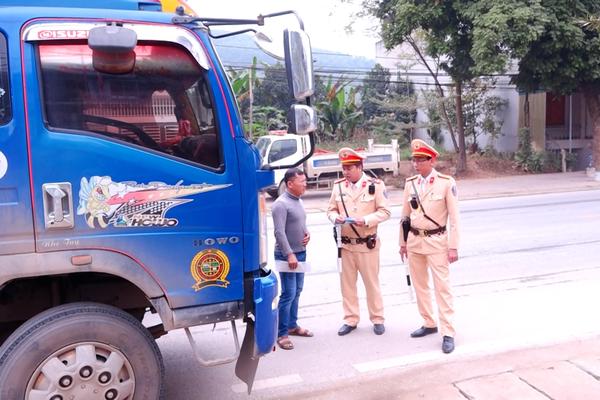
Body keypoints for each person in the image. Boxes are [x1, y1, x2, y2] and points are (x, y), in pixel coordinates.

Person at [399, 139, 460, 354]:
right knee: (420, 286)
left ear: (432, 160)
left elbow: (454, 218)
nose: (416, 164)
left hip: (437, 242)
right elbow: (405, 216)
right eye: (414, 160)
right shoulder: (410, 183)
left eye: (420, 160)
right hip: (415, 241)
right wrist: (403, 243)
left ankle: (448, 332)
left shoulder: (445, 183)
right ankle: (429, 322)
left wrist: (453, 247)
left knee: (442, 288)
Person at [327, 148, 391, 336]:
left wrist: (366, 220)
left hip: (366, 244)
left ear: (360, 167)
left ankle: (377, 318)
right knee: (347, 285)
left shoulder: (376, 185)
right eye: (344, 168)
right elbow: (330, 209)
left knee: (371, 284)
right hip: (346, 245)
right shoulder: (338, 186)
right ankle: (351, 319)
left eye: (350, 168)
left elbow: (385, 212)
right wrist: (334, 217)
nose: (346, 172)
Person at [272, 168, 312, 350]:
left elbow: (300, 223)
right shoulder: (281, 204)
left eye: (305, 181)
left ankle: (293, 325)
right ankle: (282, 334)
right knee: (288, 293)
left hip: (300, 253)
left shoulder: (298, 201)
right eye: (301, 181)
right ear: (290, 184)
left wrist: (307, 234)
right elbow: (279, 232)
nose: (305, 184)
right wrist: (289, 254)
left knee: (298, 291)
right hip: (288, 255)